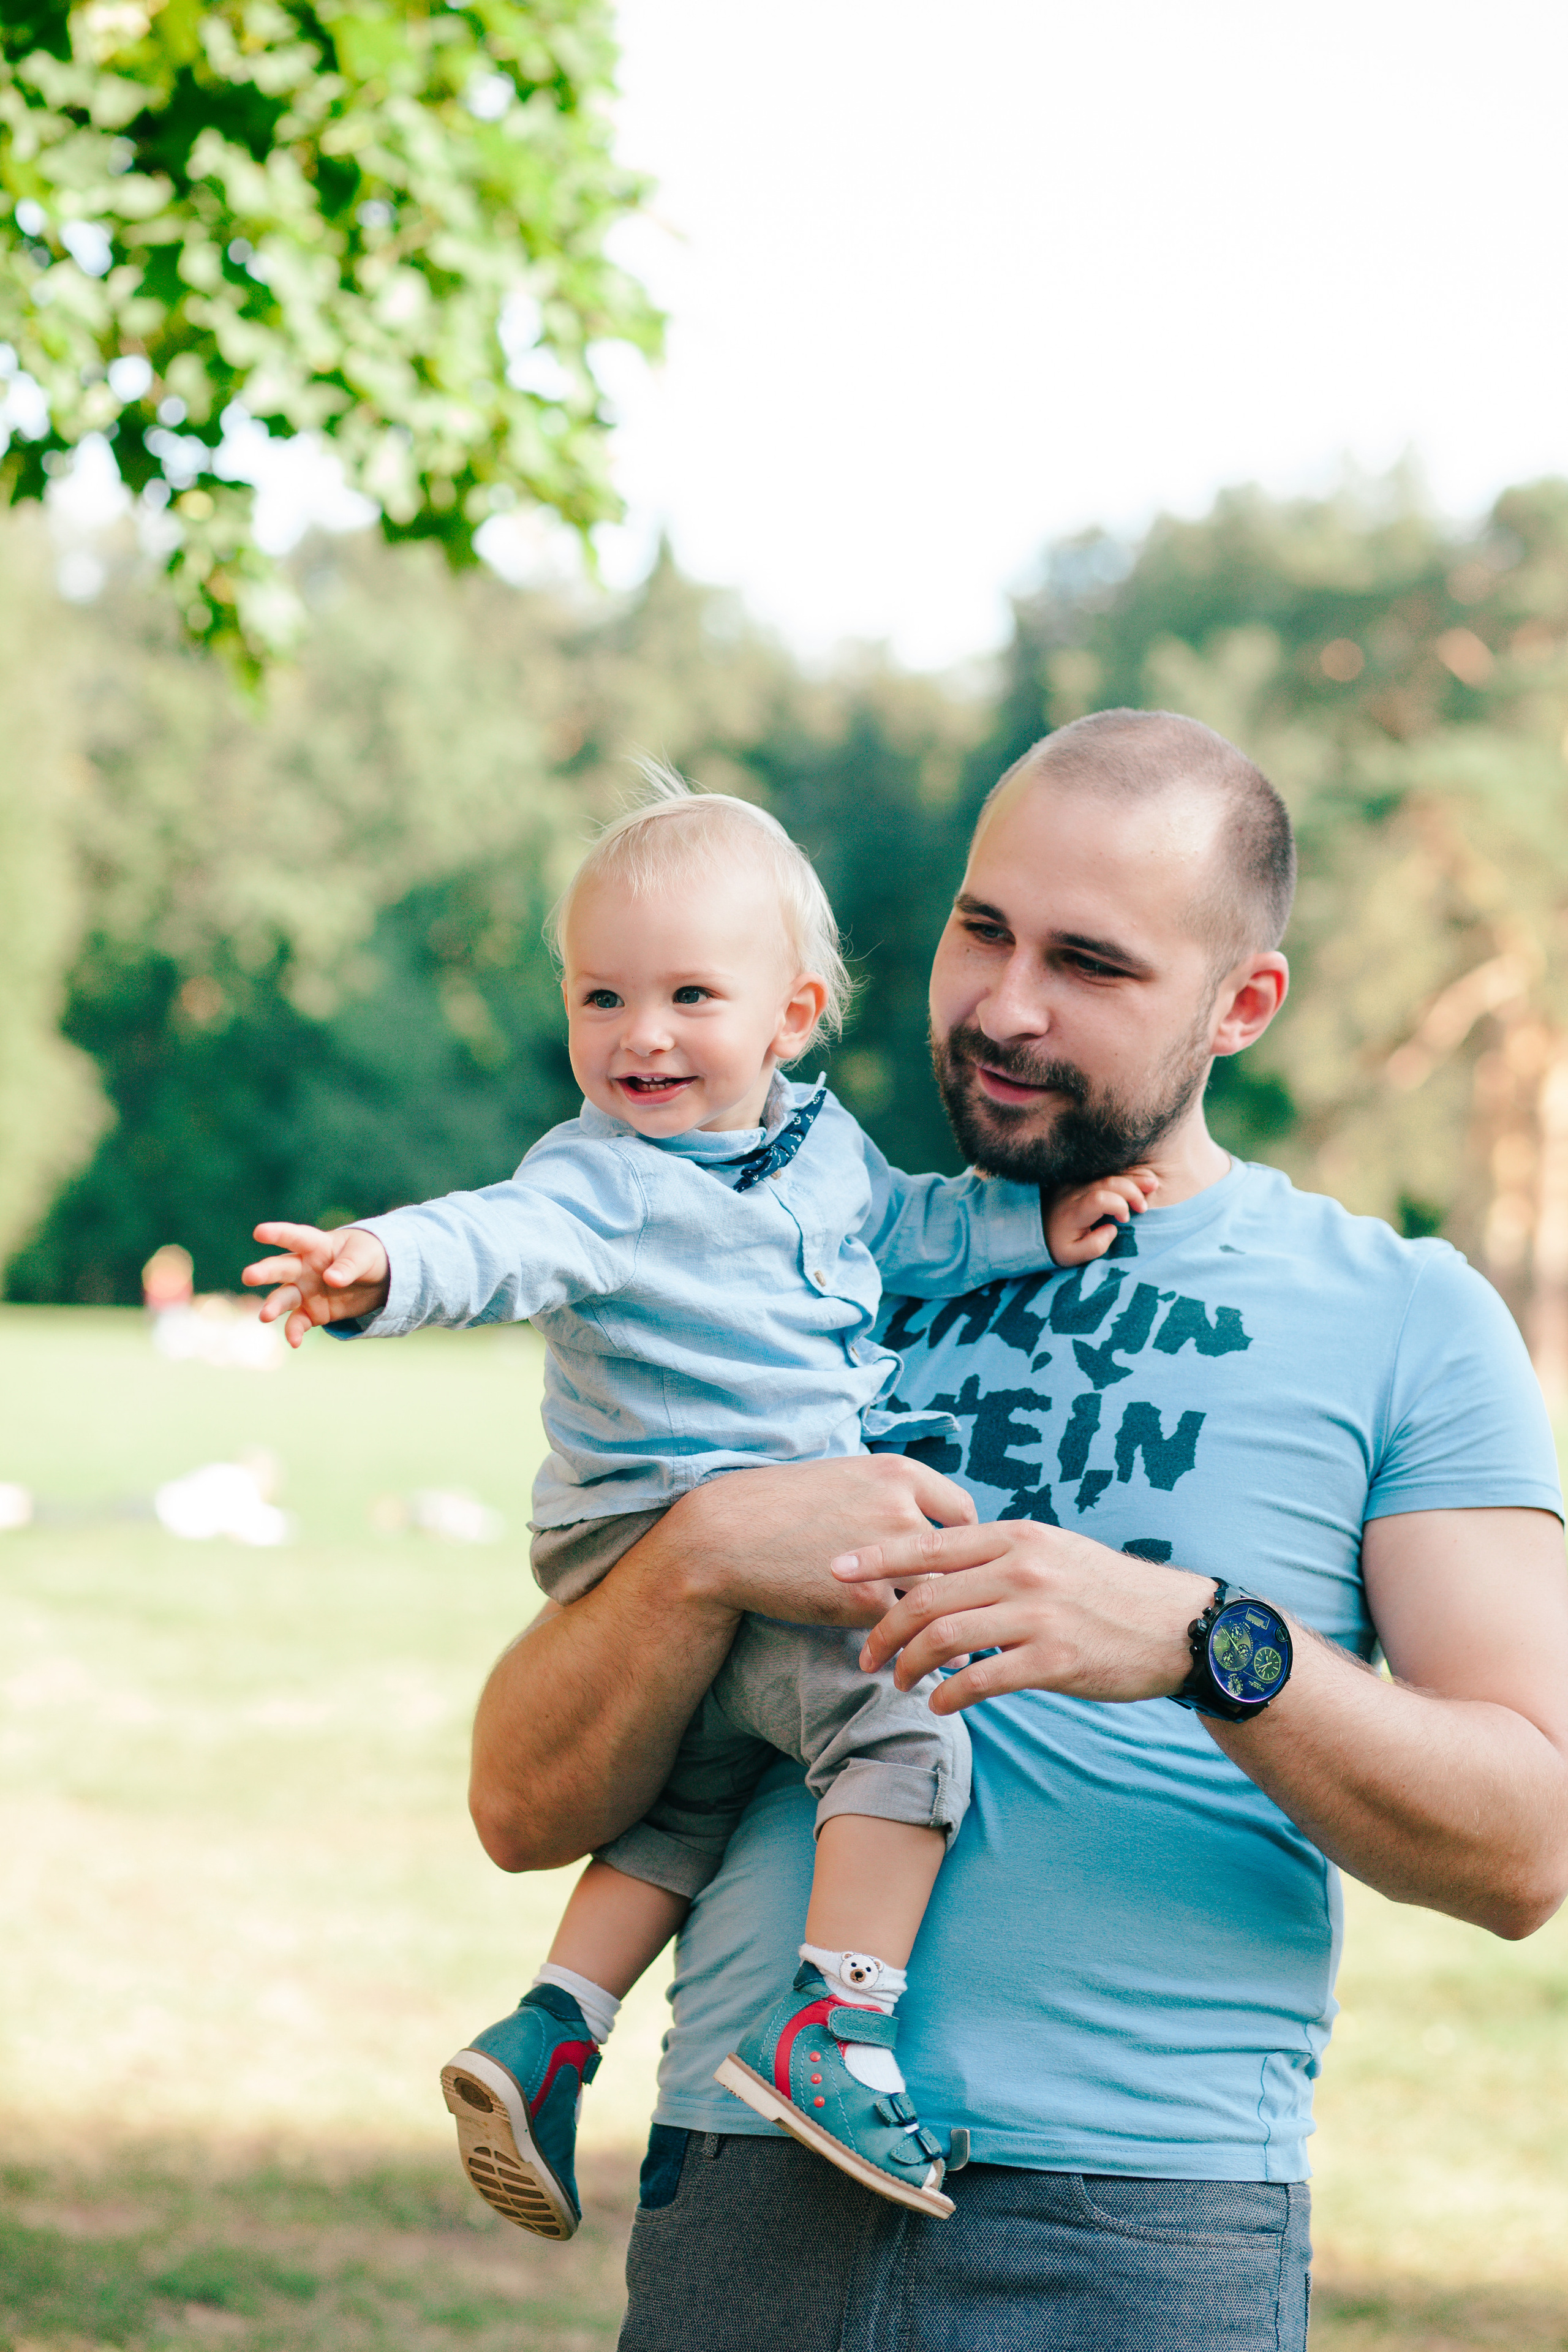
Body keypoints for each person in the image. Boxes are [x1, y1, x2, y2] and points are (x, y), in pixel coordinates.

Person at [468, 709, 1568, 2352]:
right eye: (982, 930)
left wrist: (1208, 1645)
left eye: (1093, 964)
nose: (1004, 1004)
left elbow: (1525, 1843)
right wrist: (703, 1554)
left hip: (1139, 2228)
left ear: (1242, 1003)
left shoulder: (1402, 1316)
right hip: (747, 2182)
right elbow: (518, 1800)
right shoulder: (807, 1266)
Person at [242, 769, 1147, 2242]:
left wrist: (1024, 1222)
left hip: (708, 1569)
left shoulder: (818, 1145)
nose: (637, 1036)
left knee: (688, 1800)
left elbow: (909, 1227)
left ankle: (547, 2029)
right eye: (599, 1000)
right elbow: (502, 1235)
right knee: (904, 1720)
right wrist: (381, 1268)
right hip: (678, 1530)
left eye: (684, 996)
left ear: (790, 1016)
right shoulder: (602, 1179)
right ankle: (836, 2029)